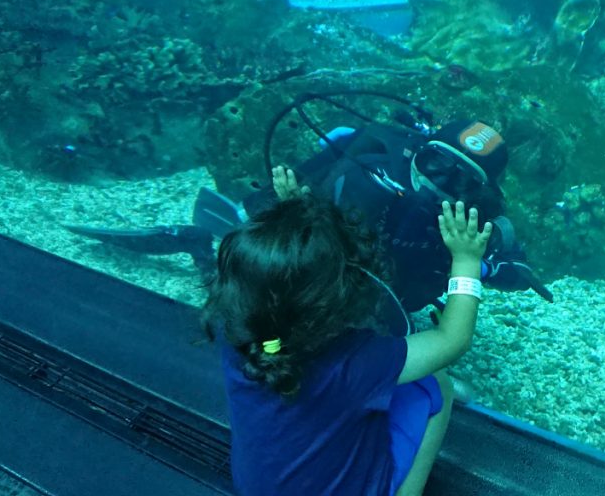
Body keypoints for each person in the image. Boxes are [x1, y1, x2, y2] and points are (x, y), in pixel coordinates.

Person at [64, 117, 552, 336]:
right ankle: (199, 246)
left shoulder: (482, 216)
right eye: (433, 162)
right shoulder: (368, 158)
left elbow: (512, 266)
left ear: (481, 190)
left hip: (389, 309)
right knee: (255, 311)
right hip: (316, 282)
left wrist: (487, 267)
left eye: (460, 179)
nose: (437, 182)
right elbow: (278, 199)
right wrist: (282, 206)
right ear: (418, 149)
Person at [203, 195, 492, 496]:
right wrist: (466, 261)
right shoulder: (356, 362)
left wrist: (290, 227)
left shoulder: (234, 333)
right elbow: (451, 340)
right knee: (435, 384)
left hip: (255, 489)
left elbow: (280, 282)